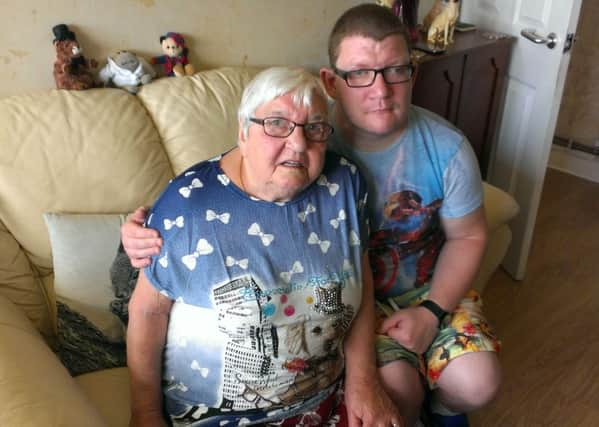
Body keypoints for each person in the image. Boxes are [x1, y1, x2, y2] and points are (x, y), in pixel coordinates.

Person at [121, 4, 502, 426]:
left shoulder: (374, 169)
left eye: (396, 70)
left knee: (472, 383)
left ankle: (445, 412)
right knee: (400, 389)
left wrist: (427, 316)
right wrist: (139, 229)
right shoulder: (207, 191)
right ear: (333, 81)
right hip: (284, 363)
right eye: (360, 73)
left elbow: (460, 240)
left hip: (406, 303)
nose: (380, 90)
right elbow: (157, 284)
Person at [125, 66, 402, 427]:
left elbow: (360, 282)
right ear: (243, 132)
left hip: (325, 397)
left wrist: (362, 381)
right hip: (219, 417)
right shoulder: (185, 207)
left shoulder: (344, 185)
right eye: (277, 123)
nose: (299, 143)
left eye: (314, 128)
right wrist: (144, 414)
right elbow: (147, 312)